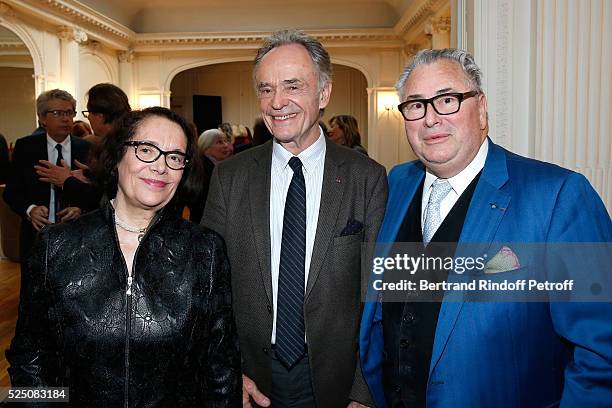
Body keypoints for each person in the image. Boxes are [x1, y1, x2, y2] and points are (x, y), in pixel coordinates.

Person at [359, 48, 612, 407]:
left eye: (447, 100)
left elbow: (601, 351)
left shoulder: (558, 197)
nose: (430, 119)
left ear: (481, 109)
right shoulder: (396, 183)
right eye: (416, 105)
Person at [6, 107, 241, 406]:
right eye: (146, 150)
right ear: (117, 156)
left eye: (174, 157)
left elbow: (220, 368)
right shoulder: (56, 246)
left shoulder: (204, 251)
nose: (160, 166)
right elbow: (29, 359)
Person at [202, 29, 387, 408]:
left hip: (336, 381)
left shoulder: (366, 177)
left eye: (292, 86)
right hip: (250, 377)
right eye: (266, 89)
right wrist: (224, 370)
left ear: (324, 94)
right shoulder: (230, 176)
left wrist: (364, 391)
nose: (277, 102)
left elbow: (379, 293)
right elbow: (207, 289)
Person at [3, 89, 91, 282]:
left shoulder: (86, 148)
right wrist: (31, 209)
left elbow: (97, 194)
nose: (66, 119)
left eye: (69, 112)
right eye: (58, 113)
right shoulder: (26, 147)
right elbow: (11, 192)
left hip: (76, 236)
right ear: (43, 118)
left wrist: (81, 209)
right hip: (37, 236)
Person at [35, 83, 132, 212]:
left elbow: (109, 199)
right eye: (58, 113)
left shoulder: (121, 146)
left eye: (88, 113)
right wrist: (91, 175)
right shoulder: (119, 140)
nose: (88, 118)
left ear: (100, 116)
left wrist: (67, 181)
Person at [189, 128, 231, 223]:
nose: (225, 145)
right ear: (206, 147)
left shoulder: (219, 165)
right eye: (219, 142)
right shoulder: (202, 168)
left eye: (225, 141)